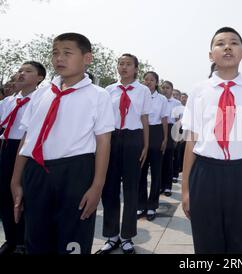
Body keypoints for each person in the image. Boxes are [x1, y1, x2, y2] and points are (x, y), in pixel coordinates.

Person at [10, 33, 115, 254]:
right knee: (36, 239)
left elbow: (104, 142)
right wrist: (16, 180)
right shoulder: (41, 94)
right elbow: (28, 138)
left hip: (75, 172)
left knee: (72, 240)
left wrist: (97, 186)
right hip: (36, 171)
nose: (59, 58)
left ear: (87, 58)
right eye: (55, 53)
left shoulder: (98, 95)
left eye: (67, 53)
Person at [181, 27, 242, 254]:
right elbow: (191, 140)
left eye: (234, 42)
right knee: (206, 242)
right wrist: (185, 190)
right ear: (211, 55)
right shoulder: (198, 91)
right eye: (220, 43)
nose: (227, 47)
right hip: (205, 172)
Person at [97, 53, 151, 255]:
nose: (124, 67)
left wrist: (145, 145)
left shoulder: (143, 90)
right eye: (121, 64)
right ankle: (111, 236)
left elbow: (144, 118)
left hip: (133, 138)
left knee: (131, 188)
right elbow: (102, 120)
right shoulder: (108, 90)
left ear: (136, 68)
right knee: (109, 187)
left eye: (129, 64)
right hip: (111, 137)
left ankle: (127, 236)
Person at [0, 61, 46, 255]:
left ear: (39, 78)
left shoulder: (42, 100)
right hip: (6, 147)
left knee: (24, 196)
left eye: (28, 71)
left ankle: (24, 241)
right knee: (4, 196)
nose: (21, 74)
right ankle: (11, 239)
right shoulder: (7, 102)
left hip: (27, 151)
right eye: (19, 70)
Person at [138, 71, 169, 221]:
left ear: (156, 82)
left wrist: (164, 139)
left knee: (156, 172)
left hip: (156, 133)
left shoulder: (162, 99)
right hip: (141, 132)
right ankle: (141, 204)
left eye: (152, 80)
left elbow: (164, 119)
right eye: (146, 79)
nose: (148, 82)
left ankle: (152, 205)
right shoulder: (139, 95)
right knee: (141, 171)